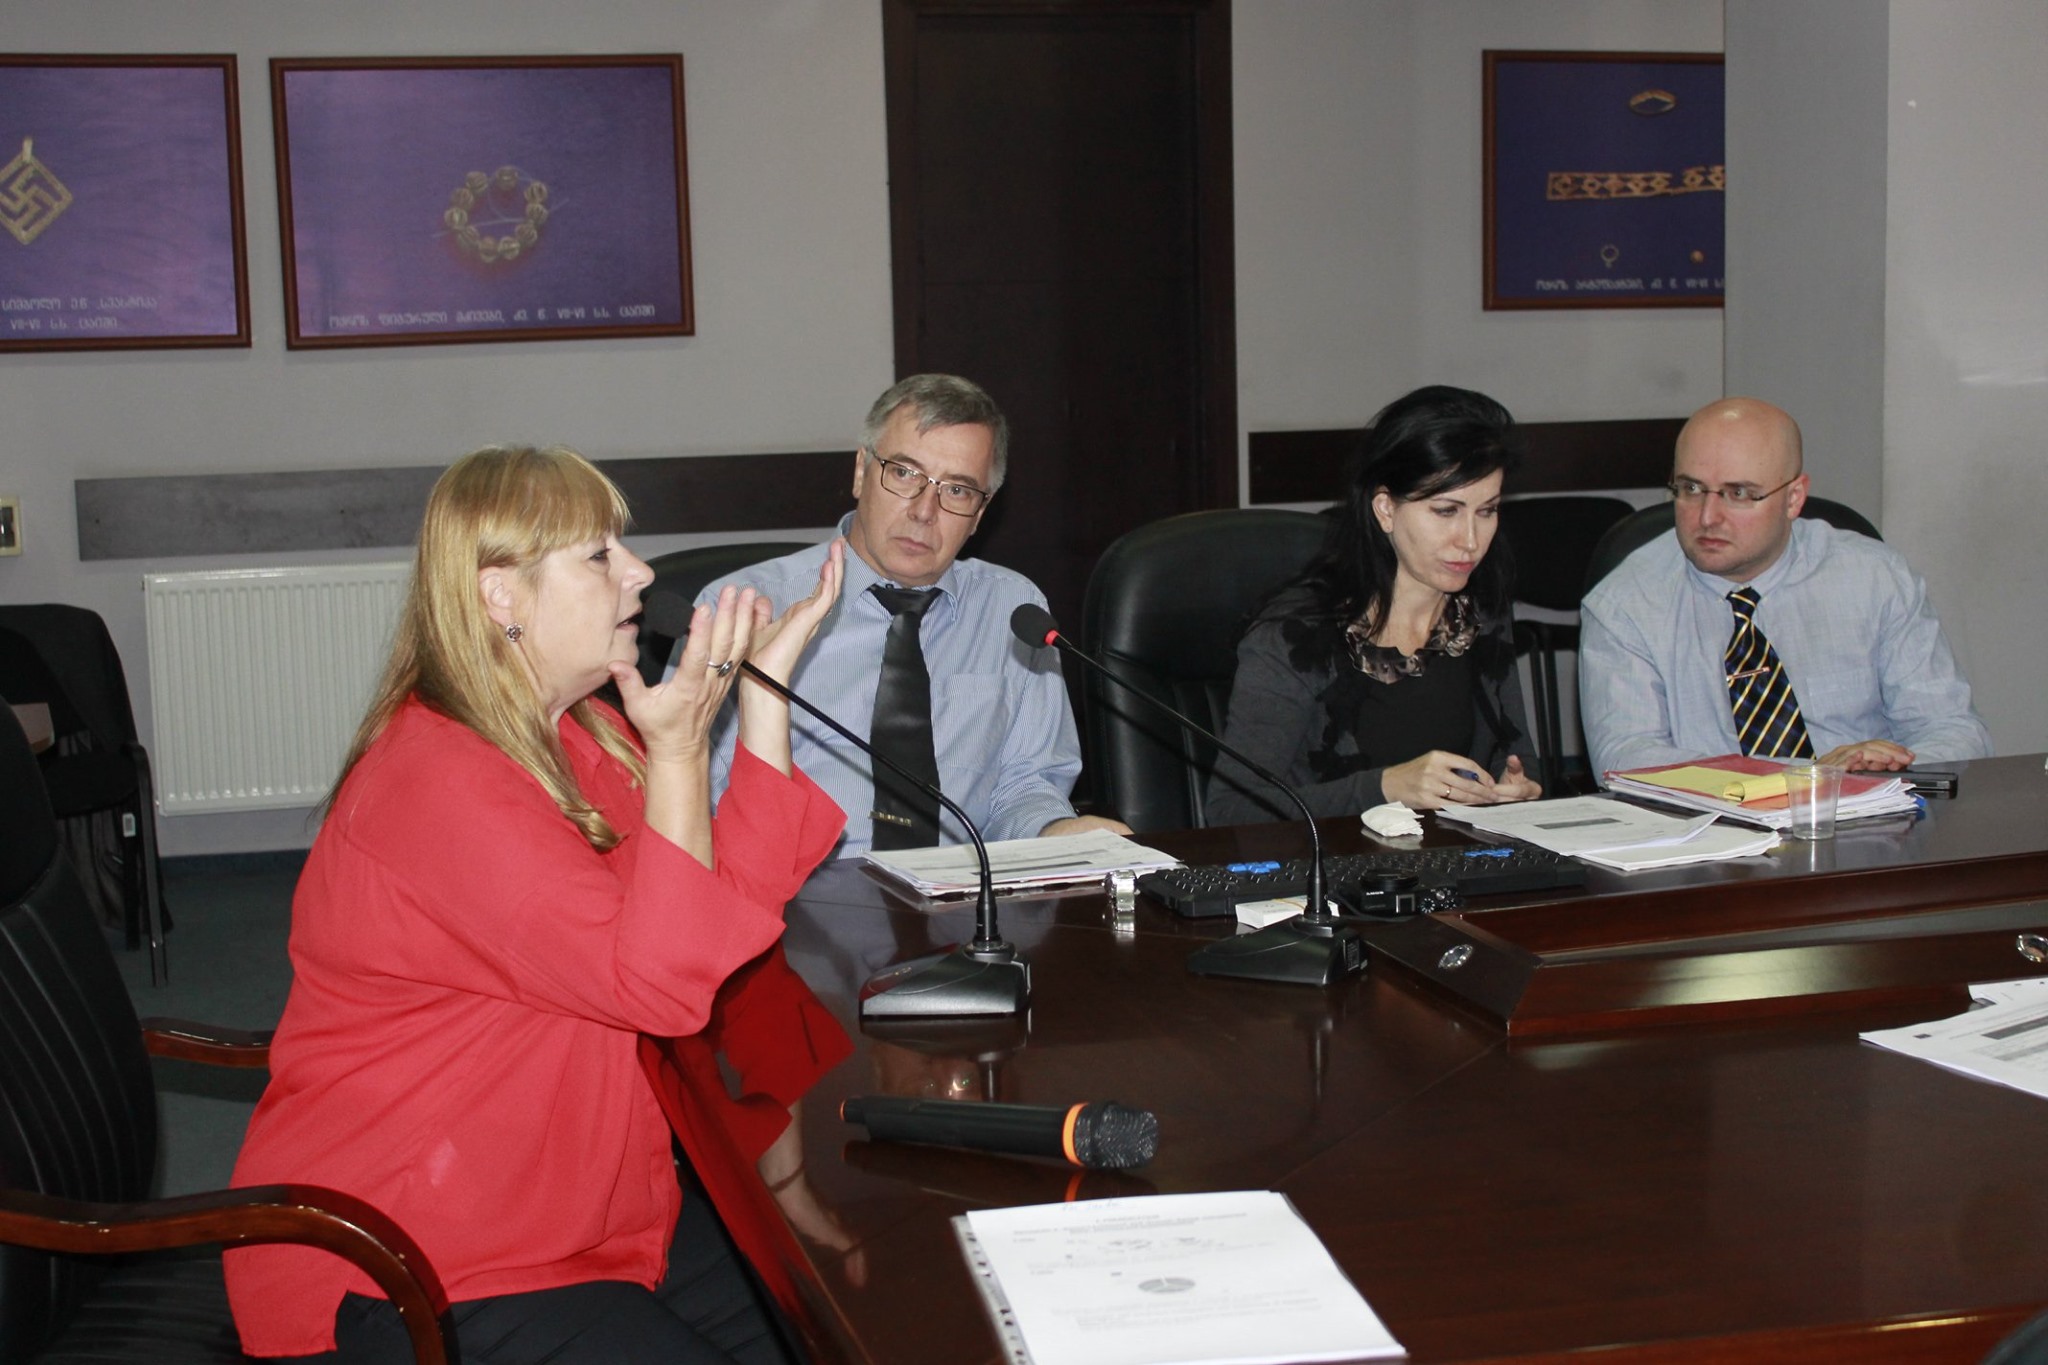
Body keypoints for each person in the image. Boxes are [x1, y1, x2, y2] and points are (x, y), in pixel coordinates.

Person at [226, 445, 849, 1364]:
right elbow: (659, 985)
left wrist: (762, 702)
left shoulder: (577, 733)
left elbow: (714, 918)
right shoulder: (438, 782)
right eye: (598, 554)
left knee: (827, 1321)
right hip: (405, 1258)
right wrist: (680, 753)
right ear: (499, 595)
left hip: (573, 1208)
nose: (638, 571)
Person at [695, 373, 1130, 857]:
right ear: (861, 472)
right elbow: (701, 801)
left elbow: (1025, 786)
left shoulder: (1013, 609)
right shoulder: (743, 608)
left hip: (966, 891)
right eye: (904, 473)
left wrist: (1054, 832)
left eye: (957, 490)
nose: (925, 510)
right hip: (795, 887)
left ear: (980, 514)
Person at [1579, 397, 1992, 777]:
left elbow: (1954, 730)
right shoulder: (1625, 602)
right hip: (1709, 824)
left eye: (1739, 493)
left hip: (1871, 814)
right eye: (1691, 489)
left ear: (1794, 498)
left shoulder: (1875, 578)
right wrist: (1811, 778)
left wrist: (1890, 767)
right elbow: (1625, 759)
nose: (1707, 517)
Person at [1206, 385, 1543, 824]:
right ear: (1385, 509)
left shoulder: (1478, 611)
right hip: (1335, 865)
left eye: (1487, 511)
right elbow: (1231, 813)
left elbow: (1517, 757)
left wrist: (1516, 787)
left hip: (1454, 858)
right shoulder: (1294, 634)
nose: (1470, 541)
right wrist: (1384, 789)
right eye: (1446, 511)